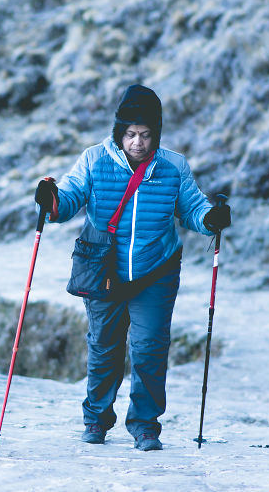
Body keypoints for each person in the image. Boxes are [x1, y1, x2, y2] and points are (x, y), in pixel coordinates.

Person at [34, 84, 230, 451]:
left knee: (148, 349)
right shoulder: (95, 159)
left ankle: (145, 426)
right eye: (130, 134)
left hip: (156, 271)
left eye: (145, 135)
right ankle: (96, 419)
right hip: (103, 269)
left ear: (156, 134)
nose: (137, 143)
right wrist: (52, 200)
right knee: (104, 348)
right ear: (118, 132)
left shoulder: (173, 166)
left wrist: (211, 219)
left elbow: (192, 208)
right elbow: (71, 196)